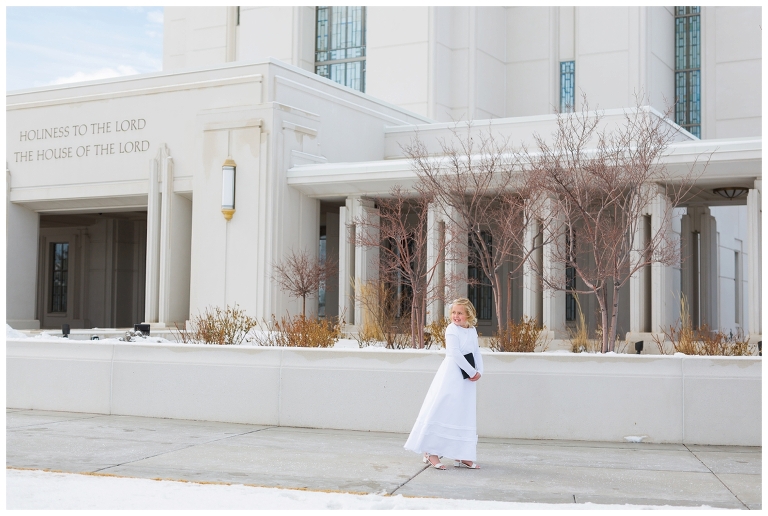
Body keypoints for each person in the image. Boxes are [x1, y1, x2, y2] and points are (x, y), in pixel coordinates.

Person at [404, 298, 483, 470]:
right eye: (454, 312)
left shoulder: (472, 330)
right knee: (443, 408)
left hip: (467, 379)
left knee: (463, 412)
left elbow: (476, 352)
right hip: (452, 375)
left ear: (468, 314)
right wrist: (471, 371)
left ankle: (462, 454)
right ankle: (430, 451)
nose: (456, 316)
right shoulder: (451, 329)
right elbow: (454, 353)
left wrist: (479, 371)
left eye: (460, 313)